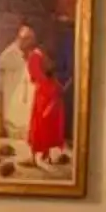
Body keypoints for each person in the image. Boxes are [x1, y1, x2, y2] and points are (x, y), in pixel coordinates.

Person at [23, 36, 67, 166]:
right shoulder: (43, 56)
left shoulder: (34, 57)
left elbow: (35, 77)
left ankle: (39, 156)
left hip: (44, 94)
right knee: (49, 124)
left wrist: (45, 86)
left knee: (40, 124)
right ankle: (45, 154)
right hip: (52, 92)